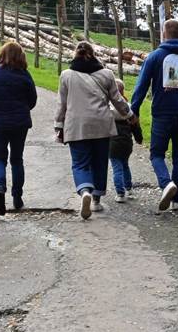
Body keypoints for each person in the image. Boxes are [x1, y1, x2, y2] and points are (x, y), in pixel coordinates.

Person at [54, 42, 137, 219]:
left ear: (75, 55)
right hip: (101, 124)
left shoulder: (66, 75)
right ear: (94, 54)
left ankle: (85, 190)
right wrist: (129, 114)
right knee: (100, 161)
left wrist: (58, 126)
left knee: (80, 163)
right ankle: (96, 200)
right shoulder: (107, 74)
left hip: (76, 126)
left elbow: (61, 104)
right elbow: (117, 100)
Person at [131, 19, 178, 213]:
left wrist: (134, 110)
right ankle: (177, 200)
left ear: (164, 34)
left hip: (161, 114)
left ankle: (166, 184)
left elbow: (141, 86)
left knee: (156, 154)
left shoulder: (154, 57)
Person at [0, 41, 38, 216]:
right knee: (17, 159)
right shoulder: (25, 75)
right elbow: (32, 100)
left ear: (1, 54)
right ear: (21, 57)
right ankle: (17, 196)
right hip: (20, 124)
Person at [110, 79, 143, 202]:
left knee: (116, 168)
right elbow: (135, 125)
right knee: (125, 165)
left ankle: (120, 194)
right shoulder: (128, 107)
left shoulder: (108, 107)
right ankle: (129, 188)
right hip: (126, 142)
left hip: (112, 142)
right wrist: (139, 138)